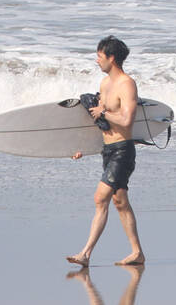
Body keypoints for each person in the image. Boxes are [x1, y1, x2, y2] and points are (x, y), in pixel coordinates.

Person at [66, 35, 145, 267]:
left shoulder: (127, 84)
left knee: (100, 198)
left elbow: (127, 120)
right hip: (107, 149)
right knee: (120, 202)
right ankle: (137, 253)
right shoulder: (104, 85)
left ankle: (85, 254)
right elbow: (99, 123)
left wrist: (104, 113)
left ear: (111, 57)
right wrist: (83, 147)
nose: (97, 60)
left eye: (99, 56)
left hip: (122, 150)